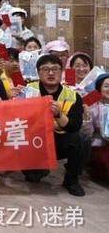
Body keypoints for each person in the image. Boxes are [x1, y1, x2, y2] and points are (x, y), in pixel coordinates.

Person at [22, 54, 87, 197]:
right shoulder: (27, 91)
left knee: (81, 139)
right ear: (38, 72)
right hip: (33, 141)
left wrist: (58, 115)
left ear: (61, 71)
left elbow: (74, 126)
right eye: (46, 69)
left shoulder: (72, 96)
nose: (51, 73)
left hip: (58, 140)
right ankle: (36, 168)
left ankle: (71, 180)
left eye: (55, 69)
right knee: (33, 177)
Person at [82, 73, 109, 181]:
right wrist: (87, 116)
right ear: (99, 88)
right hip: (97, 144)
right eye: (106, 86)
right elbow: (86, 133)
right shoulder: (92, 104)